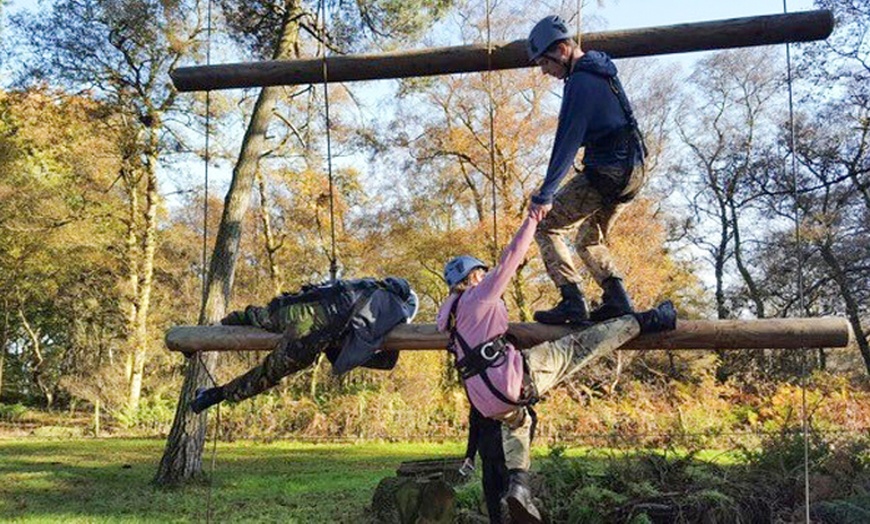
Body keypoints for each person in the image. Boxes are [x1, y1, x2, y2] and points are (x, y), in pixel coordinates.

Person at [437, 212, 676, 523]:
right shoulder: (479, 295)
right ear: (474, 277)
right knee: (581, 345)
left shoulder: (448, 315)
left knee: (519, 423)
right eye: (482, 272)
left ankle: (519, 486)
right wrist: (533, 219)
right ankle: (650, 320)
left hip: (485, 398)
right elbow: (512, 255)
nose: (486, 276)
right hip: (511, 380)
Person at [527, 15, 648, 325]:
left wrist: (545, 194)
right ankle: (618, 300)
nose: (544, 70)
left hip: (608, 171)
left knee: (547, 225)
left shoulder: (581, 81)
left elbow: (566, 141)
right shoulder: (601, 71)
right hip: (633, 172)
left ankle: (571, 300)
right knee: (589, 239)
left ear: (563, 49)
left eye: (545, 62)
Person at [190, 277, 418, 413]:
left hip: (293, 307)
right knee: (267, 374)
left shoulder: (367, 285)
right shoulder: (394, 309)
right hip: (310, 334)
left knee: (254, 315)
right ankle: (214, 396)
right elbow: (376, 357)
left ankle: (201, 336)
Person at [460, 406, 509, 524]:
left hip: (509, 457)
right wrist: (469, 456)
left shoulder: (511, 392)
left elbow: (529, 417)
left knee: (512, 501)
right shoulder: (477, 396)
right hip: (487, 458)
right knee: (492, 503)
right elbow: (474, 429)